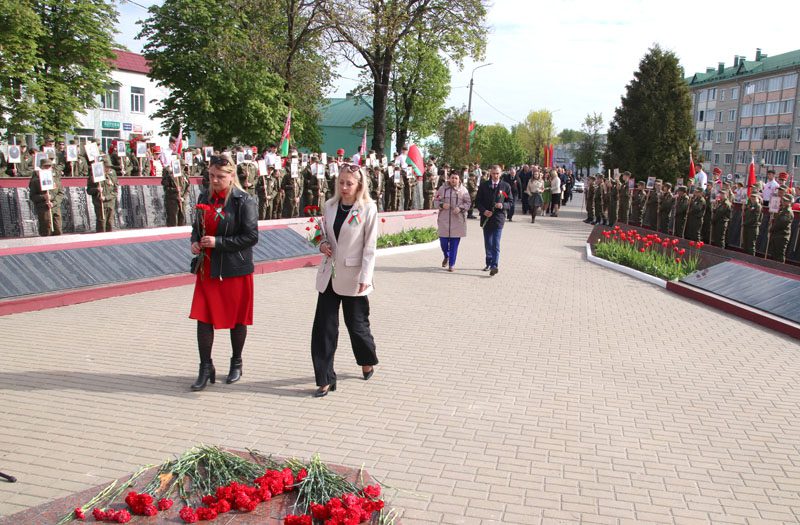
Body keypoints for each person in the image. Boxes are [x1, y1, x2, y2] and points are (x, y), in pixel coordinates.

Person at [189, 153, 259, 391]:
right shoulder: (204, 197)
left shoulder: (243, 201)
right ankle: (205, 366)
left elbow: (251, 237)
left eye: (220, 177)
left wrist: (218, 242)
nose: (214, 181)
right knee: (203, 318)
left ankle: (236, 362)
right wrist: (195, 241)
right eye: (211, 176)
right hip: (208, 269)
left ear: (231, 176)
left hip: (235, 270)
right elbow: (197, 228)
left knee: (237, 319)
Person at [311, 163, 379, 397]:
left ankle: (366, 360)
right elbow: (320, 232)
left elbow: (370, 247)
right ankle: (325, 378)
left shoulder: (368, 208)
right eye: (341, 182)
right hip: (329, 275)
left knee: (357, 327)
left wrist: (366, 277)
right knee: (324, 329)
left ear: (359, 184)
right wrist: (321, 244)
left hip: (354, 277)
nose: (344, 187)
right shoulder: (330, 206)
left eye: (349, 183)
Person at [476, 165, 511, 276]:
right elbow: (478, 202)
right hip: (486, 218)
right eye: (493, 173)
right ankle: (489, 262)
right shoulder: (484, 185)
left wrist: (503, 205)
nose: (495, 175)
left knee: (496, 243)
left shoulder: (505, 186)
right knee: (488, 243)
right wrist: (484, 211)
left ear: (501, 174)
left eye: (497, 173)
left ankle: (494, 266)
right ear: (490, 173)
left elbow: (510, 201)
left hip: (498, 219)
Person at [434, 171, 471, 272]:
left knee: (454, 244)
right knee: (443, 243)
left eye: (456, 178)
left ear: (459, 180)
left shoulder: (464, 191)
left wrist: (460, 208)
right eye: (452, 178)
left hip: (457, 221)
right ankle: (446, 256)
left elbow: (468, 203)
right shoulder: (442, 189)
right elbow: (436, 201)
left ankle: (452, 264)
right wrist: (442, 205)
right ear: (449, 178)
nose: (454, 180)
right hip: (444, 220)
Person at [29, 156, 64, 236]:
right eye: (45, 167)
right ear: (41, 168)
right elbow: (32, 196)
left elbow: (61, 193)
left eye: (49, 166)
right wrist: (44, 197)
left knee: (58, 230)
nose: (47, 168)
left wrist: (54, 203)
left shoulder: (56, 179)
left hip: (55, 208)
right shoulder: (36, 181)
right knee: (46, 231)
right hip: (43, 209)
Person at [86, 155, 119, 232]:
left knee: (110, 223)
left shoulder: (112, 173)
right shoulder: (94, 175)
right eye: (107, 166)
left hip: (110, 202)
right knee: (101, 223)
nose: (108, 168)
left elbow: (115, 190)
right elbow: (89, 190)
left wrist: (106, 197)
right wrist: (97, 189)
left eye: (109, 166)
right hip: (99, 203)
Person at [767, 196, 793, 263]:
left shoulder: (788, 212)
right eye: (783, 200)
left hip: (781, 235)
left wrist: (772, 229)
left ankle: (779, 269)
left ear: (790, 202)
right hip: (777, 234)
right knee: (774, 253)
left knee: (779, 254)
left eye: (786, 200)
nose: (784, 201)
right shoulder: (782, 210)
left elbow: (781, 224)